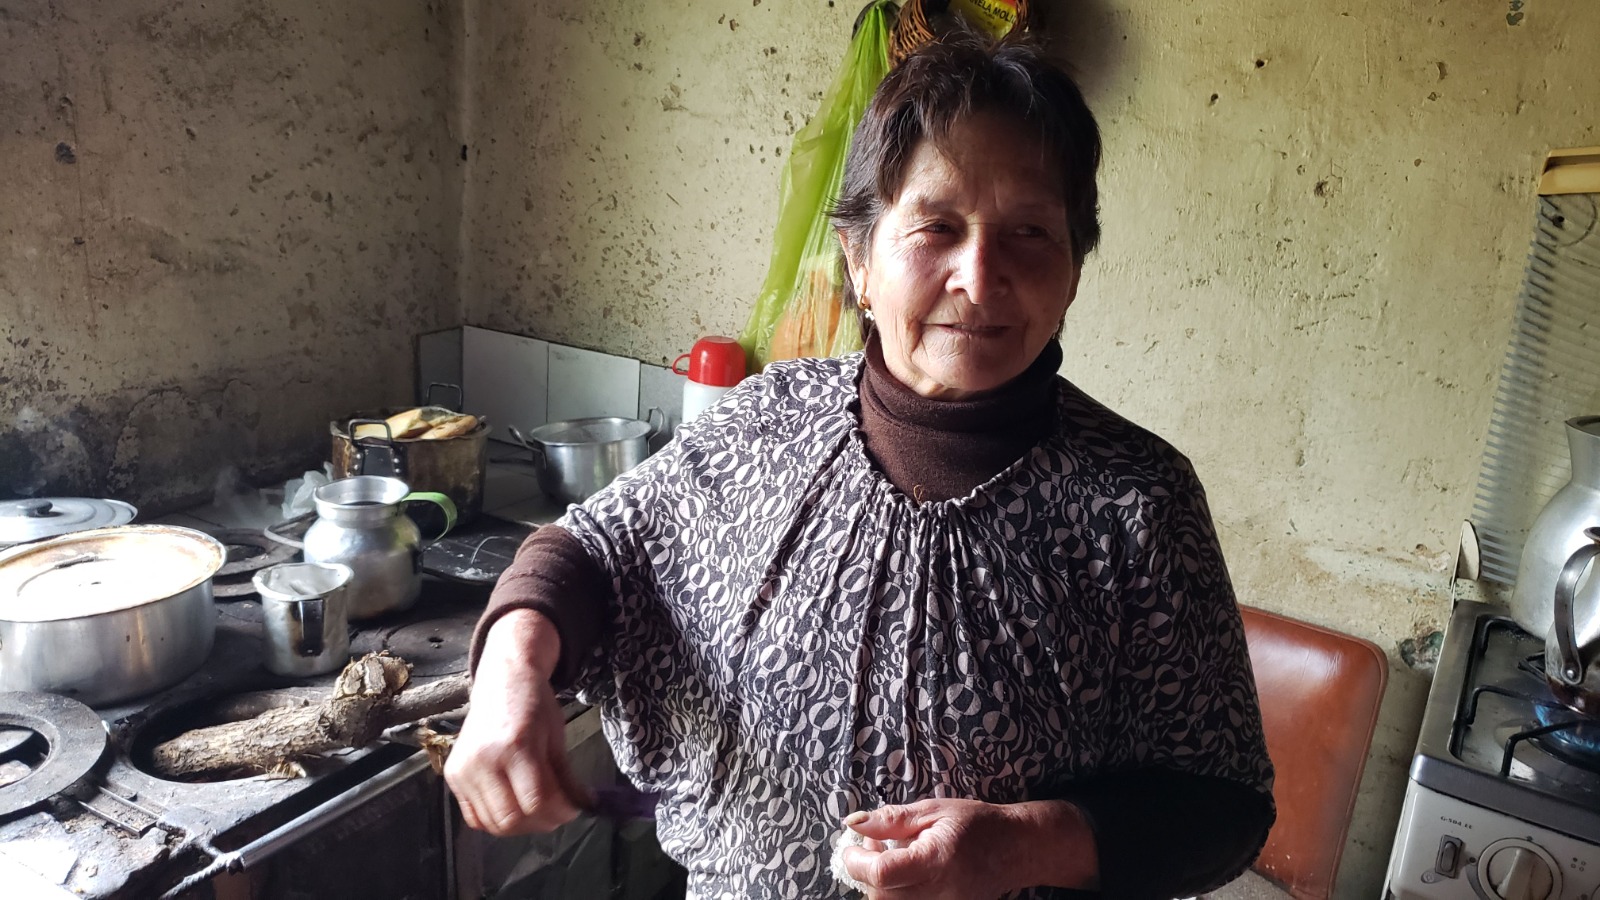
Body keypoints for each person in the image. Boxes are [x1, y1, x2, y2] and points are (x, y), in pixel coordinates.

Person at [445, 30, 1274, 900]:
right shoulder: (768, 422)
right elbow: (593, 547)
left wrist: (1025, 845)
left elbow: (1223, 805)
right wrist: (510, 671)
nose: (980, 277)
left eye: (1031, 231)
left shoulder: (1138, 501)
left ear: (1072, 272)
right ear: (859, 260)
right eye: (937, 227)